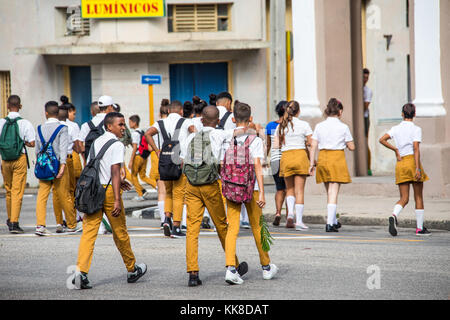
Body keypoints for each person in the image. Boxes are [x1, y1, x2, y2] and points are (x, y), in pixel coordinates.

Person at [73, 112, 147, 289]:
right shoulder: (117, 145)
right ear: (109, 126)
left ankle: (81, 272)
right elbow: (114, 171)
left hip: (93, 191)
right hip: (107, 193)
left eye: (123, 124)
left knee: (89, 233)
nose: (123, 128)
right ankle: (132, 269)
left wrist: (118, 182)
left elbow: (96, 166)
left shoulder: (97, 141)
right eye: (120, 124)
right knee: (120, 232)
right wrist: (115, 199)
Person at [181, 105, 248, 286]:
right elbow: (240, 131)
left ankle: (193, 273)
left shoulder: (191, 138)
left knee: (192, 230)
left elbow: (182, 162)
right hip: (211, 186)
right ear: (218, 121)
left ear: (201, 120)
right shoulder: (219, 134)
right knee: (221, 226)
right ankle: (232, 264)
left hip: (192, 186)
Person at [221, 101, 278, 285]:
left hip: (231, 188)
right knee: (258, 226)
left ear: (233, 118)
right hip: (250, 188)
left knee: (232, 228)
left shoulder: (226, 138)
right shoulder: (255, 140)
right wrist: (262, 192)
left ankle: (230, 268)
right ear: (250, 119)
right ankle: (266, 267)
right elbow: (258, 167)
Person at [145, 100, 195, 238]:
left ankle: (167, 219)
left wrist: (156, 150)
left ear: (167, 111)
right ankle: (177, 227)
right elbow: (195, 133)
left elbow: (147, 133)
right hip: (180, 161)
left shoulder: (160, 123)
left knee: (168, 193)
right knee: (179, 194)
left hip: (165, 162)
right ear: (181, 111)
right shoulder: (185, 122)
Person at [379, 103, 430, 237]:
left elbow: (382, 139)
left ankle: (394, 215)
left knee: (404, 198)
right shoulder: (416, 129)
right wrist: (418, 168)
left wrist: (395, 149)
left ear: (402, 114)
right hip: (412, 162)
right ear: (414, 114)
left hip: (401, 163)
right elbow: (415, 148)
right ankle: (419, 229)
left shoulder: (395, 129)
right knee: (418, 196)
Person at [308, 98, 355, 232]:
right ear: (340, 111)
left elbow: (313, 145)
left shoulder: (319, 126)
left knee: (329, 191)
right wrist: (345, 143)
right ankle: (329, 223)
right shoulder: (343, 127)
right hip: (337, 158)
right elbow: (352, 147)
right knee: (333, 192)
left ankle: (333, 220)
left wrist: (311, 163)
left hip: (323, 158)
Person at [34, 101, 78, 236]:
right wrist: (63, 165)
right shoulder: (62, 128)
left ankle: (40, 225)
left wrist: (39, 164)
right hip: (58, 165)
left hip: (44, 165)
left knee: (42, 196)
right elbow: (63, 148)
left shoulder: (39, 128)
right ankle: (71, 224)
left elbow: (37, 150)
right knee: (64, 195)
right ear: (58, 113)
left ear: (46, 113)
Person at [274, 101, 312, 231]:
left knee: (289, 189)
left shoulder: (281, 126)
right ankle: (299, 221)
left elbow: (275, 145)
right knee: (299, 190)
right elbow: (311, 143)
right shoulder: (304, 125)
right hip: (300, 156)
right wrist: (312, 161)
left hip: (286, 157)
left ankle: (290, 214)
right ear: (299, 111)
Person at [0, 95, 35, 233]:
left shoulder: (1, 122)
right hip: (19, 158)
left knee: (8, 191)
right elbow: (32, 143)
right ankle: (14, 222)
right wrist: (23, 142)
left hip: (5, 159)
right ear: (20, 106)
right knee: (17, 191)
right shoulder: (25, 123)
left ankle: (10, 219)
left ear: (8, 106)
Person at [51, 105, 82, 233]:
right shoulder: (72, 126)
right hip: (67, 160)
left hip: (53, 161)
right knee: (70, 191)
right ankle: (72, 221)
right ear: (68, 114)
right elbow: (77, 145)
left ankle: (59, 221)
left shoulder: (51, 126)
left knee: (56, 192)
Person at [265, 101, 288, 226]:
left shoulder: (270, 126)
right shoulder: (290, 125)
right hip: (287, 159)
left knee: (279, 189)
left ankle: (278, 212)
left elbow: (268, 144)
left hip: (274, 160)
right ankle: (290, 216)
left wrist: (264, 159)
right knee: (290, 189)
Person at [149, 100, 169, 229]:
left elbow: (150, 148)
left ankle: (163, 220)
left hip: (158, 158)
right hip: (172, 159)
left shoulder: (155, 125)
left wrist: (156, 149)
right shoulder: (174, 124)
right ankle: (174, 218)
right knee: (174, 192)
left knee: (161, 191)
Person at [128, 115, 156, 201]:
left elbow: (135, 147)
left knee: (133, 176)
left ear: (134, 123)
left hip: (137, 156)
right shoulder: (142, 132)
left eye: (130, 122)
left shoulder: (135, 134)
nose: (129, 124)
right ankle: (157, 185)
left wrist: (131, 160)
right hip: (144, 156)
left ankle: (140, 194)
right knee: (143, 176)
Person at [363, 68, 373, 176]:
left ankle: (368, 167)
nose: (365, 79)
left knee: (365, 142)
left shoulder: (368, 91)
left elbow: (365, 106)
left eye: (367, 77)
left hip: (364, 117)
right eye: (364, 77)